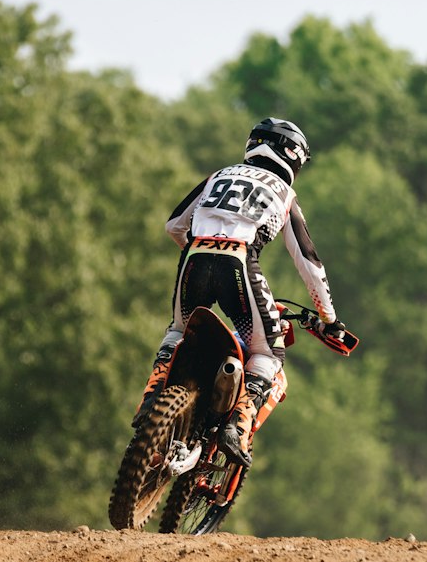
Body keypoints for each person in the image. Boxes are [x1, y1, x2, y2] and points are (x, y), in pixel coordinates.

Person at [133, 117, 345, 467]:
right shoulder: (284, 192)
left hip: (194, 256)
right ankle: (238, 424)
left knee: (177, 331)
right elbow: (309, 262)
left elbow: (174, 226)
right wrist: (329, 318)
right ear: (292, 155)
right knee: (269, 352)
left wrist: (201, 246)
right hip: (239, 262)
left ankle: (151, 398)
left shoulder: (219, 175)